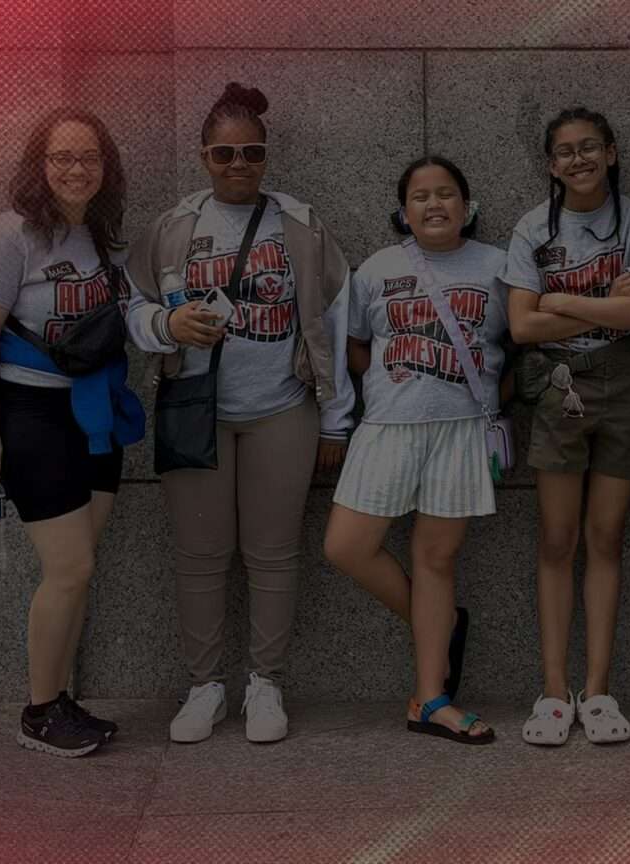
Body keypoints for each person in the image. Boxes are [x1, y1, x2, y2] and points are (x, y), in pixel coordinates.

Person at [125, 82, 354, 744]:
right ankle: (205, 687)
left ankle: (265, 684)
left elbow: (335, 320)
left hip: (283, 408)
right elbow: (130, 305)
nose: (238, 165)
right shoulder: (174, 226)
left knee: (274, 554)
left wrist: (336, 418)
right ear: (203, 157)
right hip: (196, 411)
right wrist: (167, 324)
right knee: (200, 555)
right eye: (224, 154)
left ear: (266, 155)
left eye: (251, 152)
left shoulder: (301, 223)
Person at [0, 107, 144, 757]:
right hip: (32, 416)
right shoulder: (9, 236)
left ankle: (59, 699)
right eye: (62, 156)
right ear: (39, 165)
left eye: (89, 157)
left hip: (94, 416)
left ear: (106, 169)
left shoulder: (103, 239)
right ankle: (39, 712)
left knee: (79, 572)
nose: (76, 169)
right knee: (70, 567)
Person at [323, 155, 508, 745]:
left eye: (447, 193)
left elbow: (517, 340)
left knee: (436, 560)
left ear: (467, 205)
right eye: (421, 196)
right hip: (388, 425)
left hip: (459, 428)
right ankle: (442, 622)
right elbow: (354, 348)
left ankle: (430, 699)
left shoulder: (497, 267)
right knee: (346, 546)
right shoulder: (377, 270)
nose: (435, 205)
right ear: (403, 211)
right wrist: (395, 379)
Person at [503, 107, 630, 746]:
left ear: (611, 151)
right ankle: (553, 692)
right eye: (565, 152)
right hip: (558, 385)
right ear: (551, 164)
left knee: (605, 537)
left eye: (589, 147)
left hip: (626, 383)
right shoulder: (532, 229)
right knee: (557, 538)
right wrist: (611, 306)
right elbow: (522, 328)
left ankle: (597, 691)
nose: (578, 160)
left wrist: (562, 299)